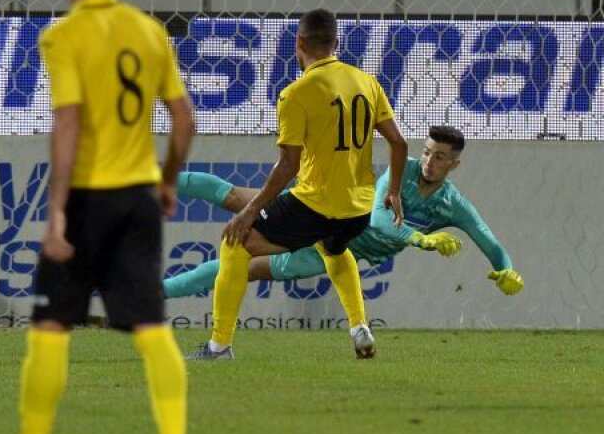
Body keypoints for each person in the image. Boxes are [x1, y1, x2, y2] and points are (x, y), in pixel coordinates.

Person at [0, 0, 196, 434]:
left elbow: (68, 121)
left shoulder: (62, 37)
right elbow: (185, 120)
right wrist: (166, 182)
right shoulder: (149, 32)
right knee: (151, 327)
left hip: (90, 198)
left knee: (50, 324)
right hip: (140, 196)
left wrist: (56, 213)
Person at [165, 125, 524, 357]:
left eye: (440, 157)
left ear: (454, 165)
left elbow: (487, 239)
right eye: (428, 151)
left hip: (329, 250)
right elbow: (380, 219)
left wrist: (505, 269)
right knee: (235, 201)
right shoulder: (403, 171)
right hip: (323, 215)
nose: (429, 161)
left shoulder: (452, 204)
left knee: (245, 268)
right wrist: (419, 239)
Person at [198, 8, 409, 362]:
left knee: (236, 242)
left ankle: (219, 347)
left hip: (315, 204)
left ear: (299, 43)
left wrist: (249, 212)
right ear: (336, 43)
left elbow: (288, 166)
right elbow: (399, 144)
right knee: (335, 250)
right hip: (358, 208)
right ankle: (360, 328)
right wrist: (394, 191)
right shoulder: (366, 82)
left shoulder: (296, 93)